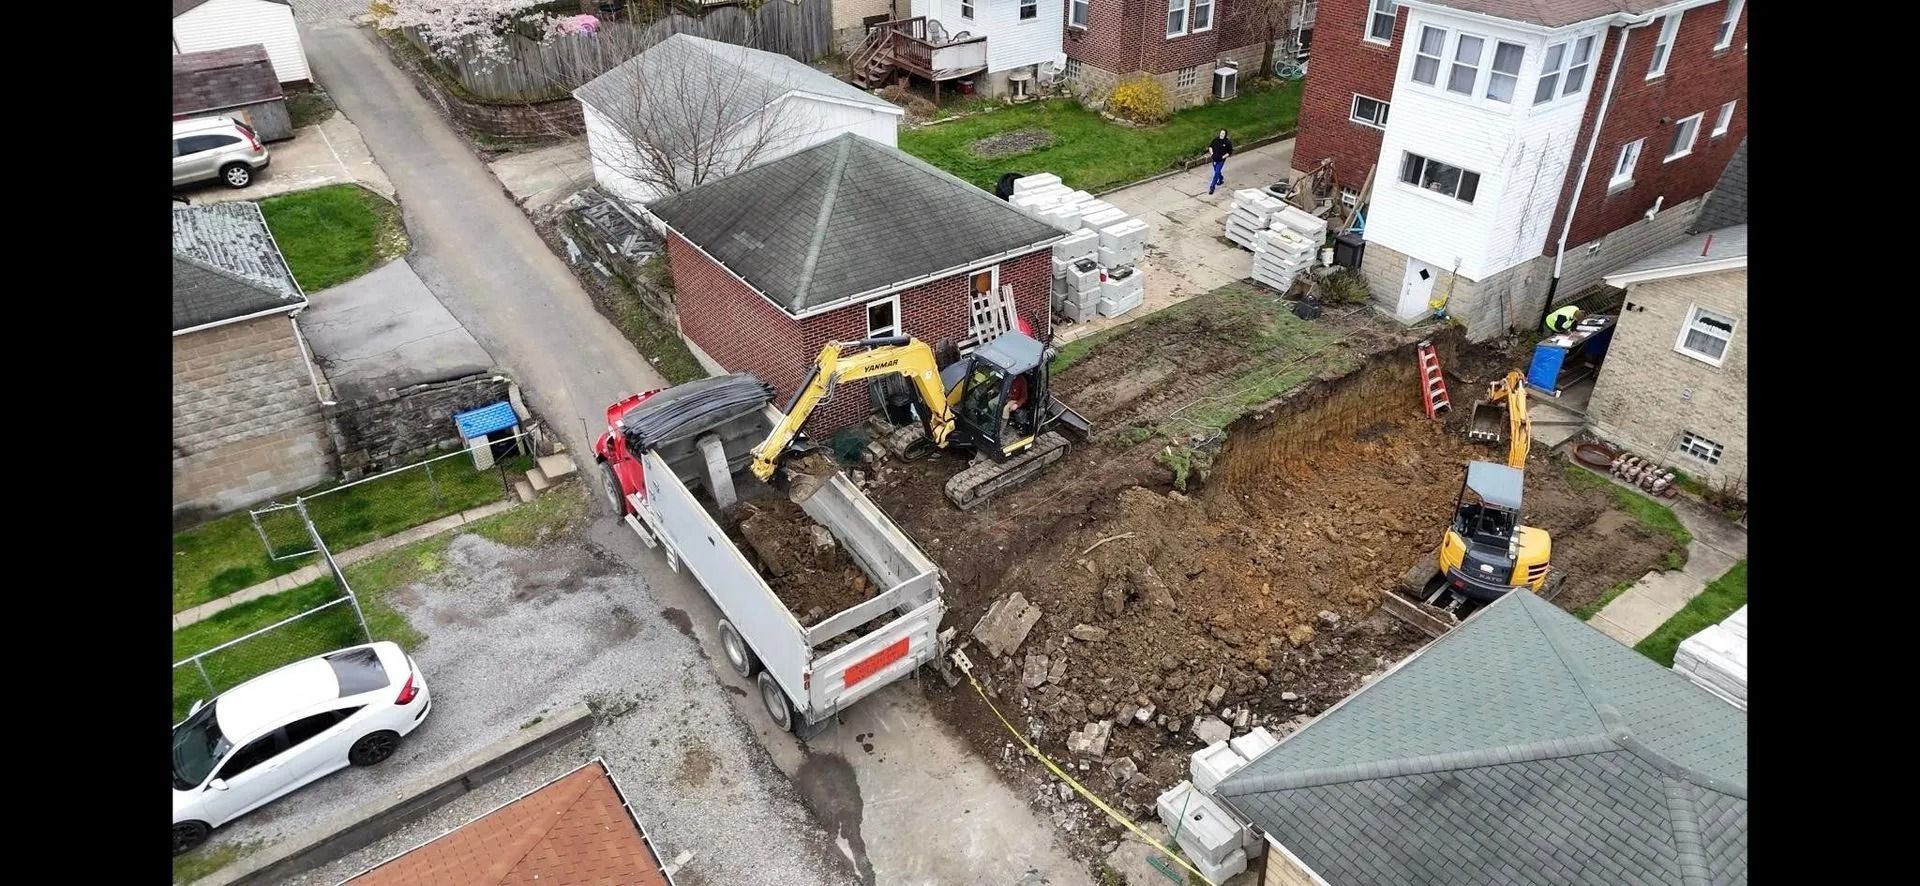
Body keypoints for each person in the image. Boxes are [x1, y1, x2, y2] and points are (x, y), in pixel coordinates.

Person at [1207, 129, 1234, 195]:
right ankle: (1221, 178)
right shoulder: (1215, 140)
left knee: (1216, 173)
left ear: (1225, 135)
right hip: (1214, 159)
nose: (1221, 134)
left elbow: (1229, 152)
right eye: (1221, 133)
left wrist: (1223, 157)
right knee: (1216, 170)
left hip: (1221, 160)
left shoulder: (1227, 142)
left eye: (1223, 133)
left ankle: (1212, 187)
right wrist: (1212, 153)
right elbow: (1210, 147)